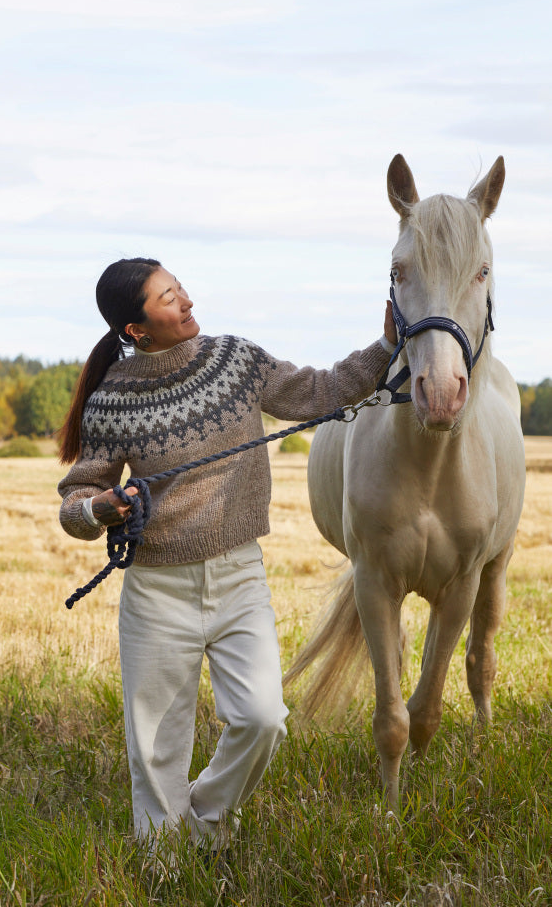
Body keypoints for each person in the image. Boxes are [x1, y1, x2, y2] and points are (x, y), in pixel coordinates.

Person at [57, 257, 397, 856]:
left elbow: (321, 389)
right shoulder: (111, 400)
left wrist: (385, 346)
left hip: (240, 575)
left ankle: (206, 821)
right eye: (168, 297)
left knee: (263, 718)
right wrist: (102, 507)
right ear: (137, 330)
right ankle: (163, 867)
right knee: (157, 746)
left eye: (180, 286)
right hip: (157, 589)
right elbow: (77, 498)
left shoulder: (235, 360)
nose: (186, 300)